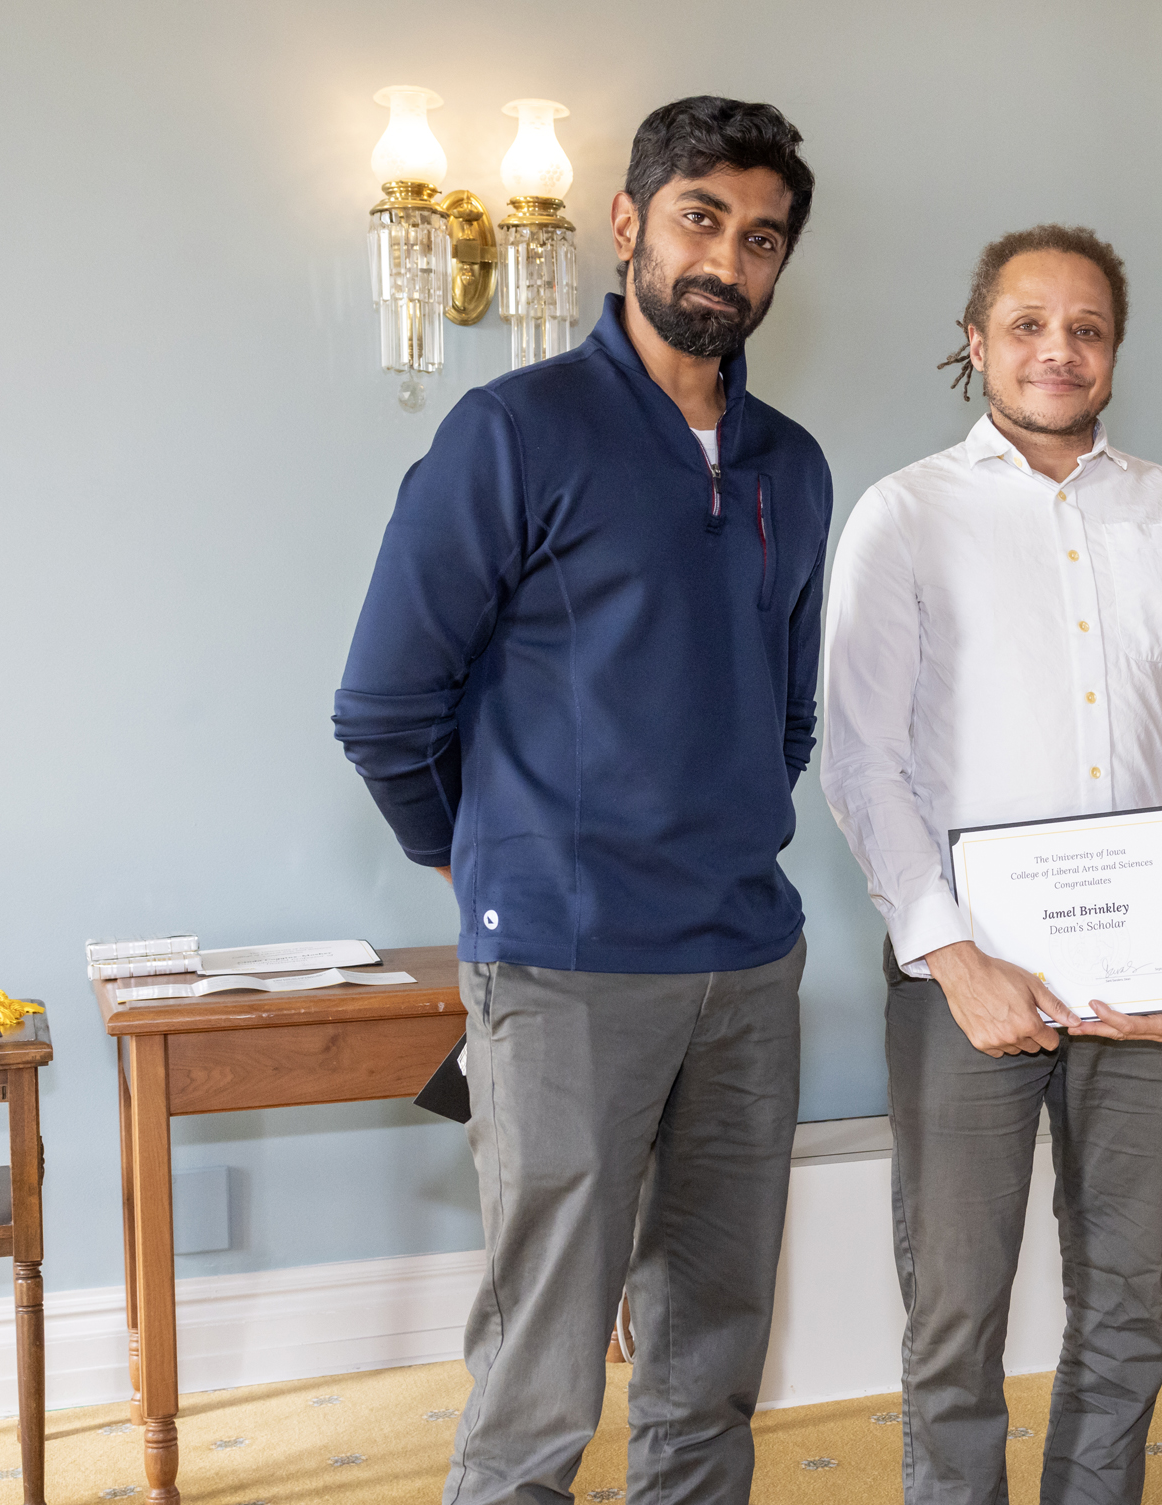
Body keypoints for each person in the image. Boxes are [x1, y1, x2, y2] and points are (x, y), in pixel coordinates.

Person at [332, 96, 830, 1505]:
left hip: (747, 962)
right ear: (627, 223)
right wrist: (478, 862)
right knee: (543, 1370)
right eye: (700, 219)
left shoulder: (795, 464)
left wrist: (720, 816)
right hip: (560, 964)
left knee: (713, 1349)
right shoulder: (513, 433)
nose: (726, 259)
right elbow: (382, 708)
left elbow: (786, 711)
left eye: (761, 237)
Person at [819, 224, 1162, 1505]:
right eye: (1026, 324)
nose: (1057, 350)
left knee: (1128, 1306)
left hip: (1151, 984)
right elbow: (861, 759)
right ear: (976, 342)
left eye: (1085, 328)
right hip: (967, 980)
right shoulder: (905, 514)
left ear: (1115, 351)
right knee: (953, 1314)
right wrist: (952, 954)